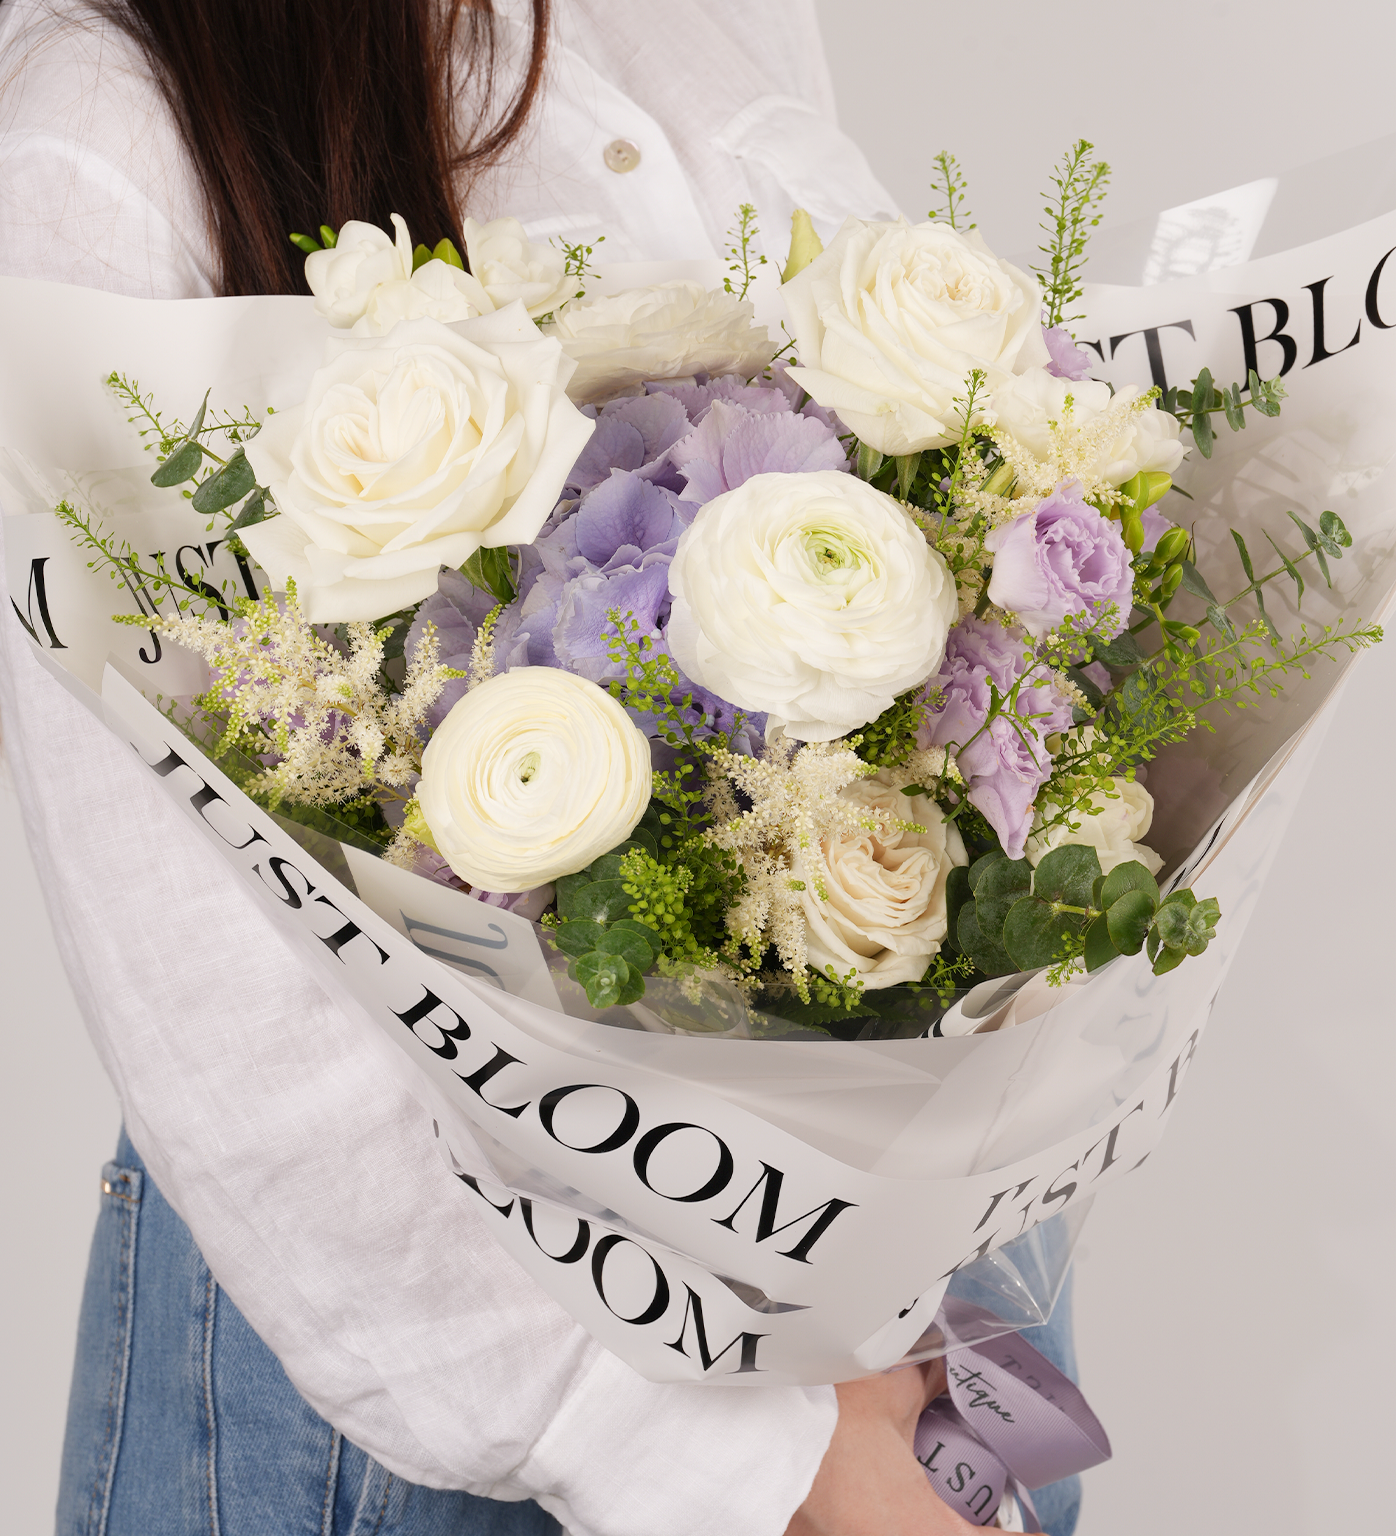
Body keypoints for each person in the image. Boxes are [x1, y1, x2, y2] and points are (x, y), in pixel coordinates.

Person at [0, 3, 1079, 1533]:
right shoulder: (102, 133)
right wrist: (753, 1465)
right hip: (443, 1402)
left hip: (902, 1334)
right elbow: (208, 985)